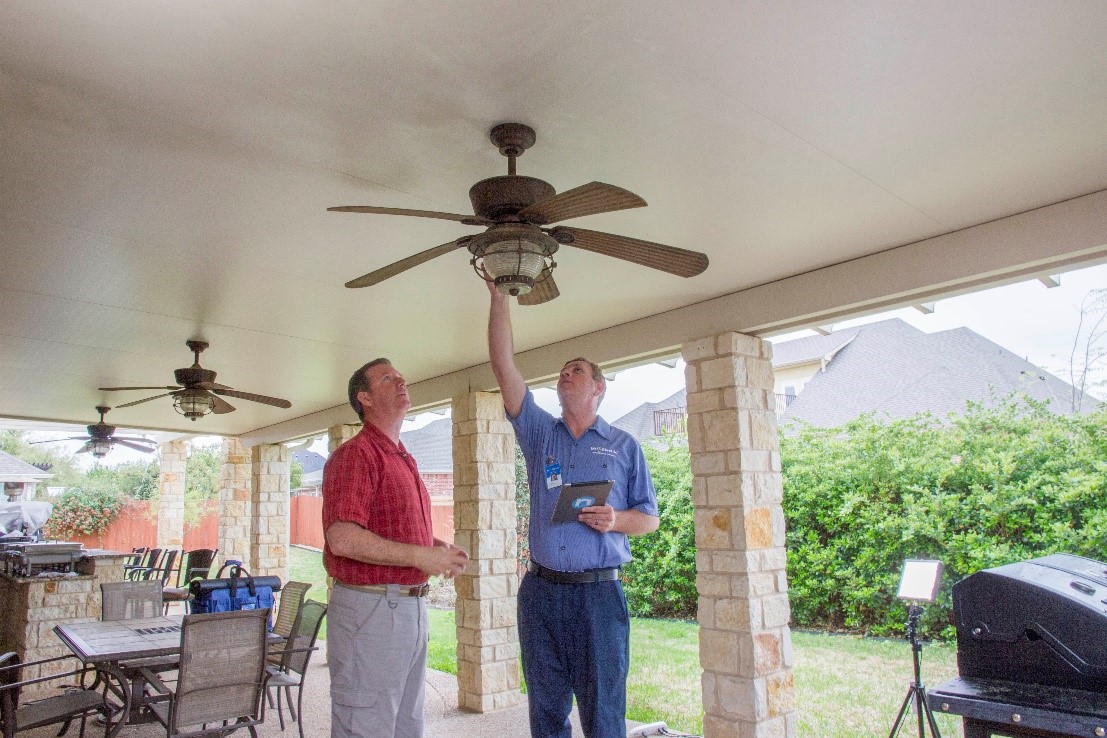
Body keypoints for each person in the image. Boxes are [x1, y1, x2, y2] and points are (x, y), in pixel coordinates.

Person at [486, 283, 660, 738]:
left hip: (598, 596)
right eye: (562, 372)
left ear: (598, 387)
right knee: (545, 710)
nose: (565, 374)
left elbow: (649, 517)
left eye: (576, 370)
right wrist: (500, 300)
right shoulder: (540, 433)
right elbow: (504, 367)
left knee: (603, 712)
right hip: (541, 593)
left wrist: (616, 520)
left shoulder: (624, 446)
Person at [322, 358, 469, 738]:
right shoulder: (356, 455)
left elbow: (393, 531)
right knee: (366, 725)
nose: (402, 381)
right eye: (388, 378)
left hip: (407, 608)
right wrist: (420, 556)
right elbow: (342, 537)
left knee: (406, 726)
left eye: (401, 376)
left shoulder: (403, 457)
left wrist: (436, 548)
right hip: (371, 609)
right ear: (365, 398)